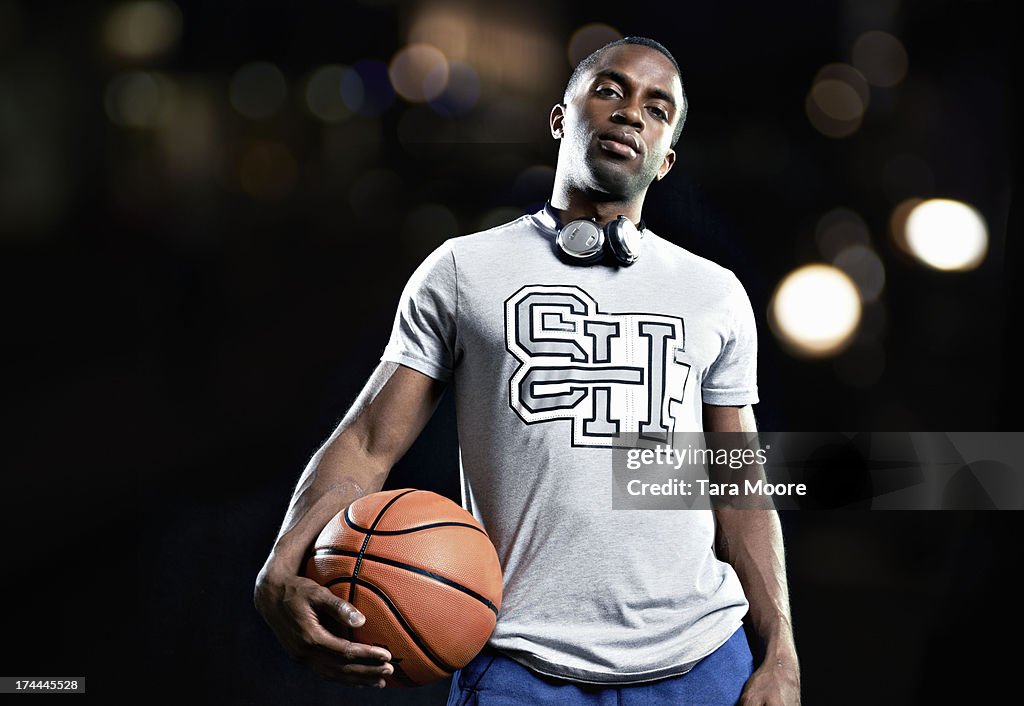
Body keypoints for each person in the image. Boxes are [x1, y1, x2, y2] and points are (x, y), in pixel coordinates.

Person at [254, 36, 801, 705]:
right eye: (609, 89)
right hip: (518, 667)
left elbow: (739, 484)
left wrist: (781, 653)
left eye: (658, 109)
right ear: (560, 118)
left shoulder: (713, 292)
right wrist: (281, 561)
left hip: (703, 664)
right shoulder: (463, 269)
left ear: (665, 161)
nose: (631, 113)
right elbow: (369, 444)